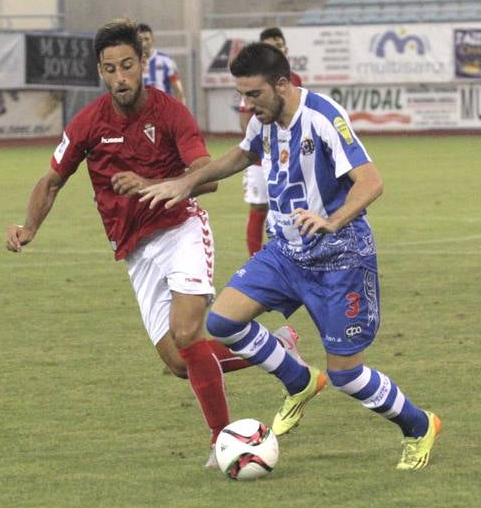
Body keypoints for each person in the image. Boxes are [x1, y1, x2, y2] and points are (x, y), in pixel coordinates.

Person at [3, 18, 302, 468]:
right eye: (110, 69)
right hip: (136, 250)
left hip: (182, 228)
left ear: (142, 63)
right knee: (181, 363)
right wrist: (29, 227)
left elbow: (206, 177)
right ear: (100, 72)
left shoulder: (169, 113)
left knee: (187, 333)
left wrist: (151, 182)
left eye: (127, 65)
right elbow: (51, 180)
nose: (120, 77)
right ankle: (281, 351)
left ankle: (221, 440)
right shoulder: (87, 123)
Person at [139, 41, 442, 470]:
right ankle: (298, 379)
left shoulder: (321, 116)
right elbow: (244, 154)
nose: (246, 105)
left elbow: (371, 182)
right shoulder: (263, 122)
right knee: (223, 321)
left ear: (282, 84)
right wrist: (187, 182)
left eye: (255, 95)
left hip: (340, 259)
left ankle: (419, 426)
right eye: (241, 95)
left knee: (346, 376)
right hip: (286, 253)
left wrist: (332, 220)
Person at [238, 27, 302, 256]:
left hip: (288, 157)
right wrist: (264, 148)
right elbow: (245, 123)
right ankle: (255, 260)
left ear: (285, 48)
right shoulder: (253, 84)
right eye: (270, 47)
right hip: (261, 158)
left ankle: (293, 257)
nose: (276, 50)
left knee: (289, 207)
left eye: (278, 45)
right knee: (259, 207)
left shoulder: (294, 81)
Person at [136, 23, 186, 108]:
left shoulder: (166, 61)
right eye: (140, 40)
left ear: (153, 40)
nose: (144, 43)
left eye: (147, 39)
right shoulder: (132, 64)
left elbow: (178, 91)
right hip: (140, 113)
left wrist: (180, 116)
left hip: (163, 112)